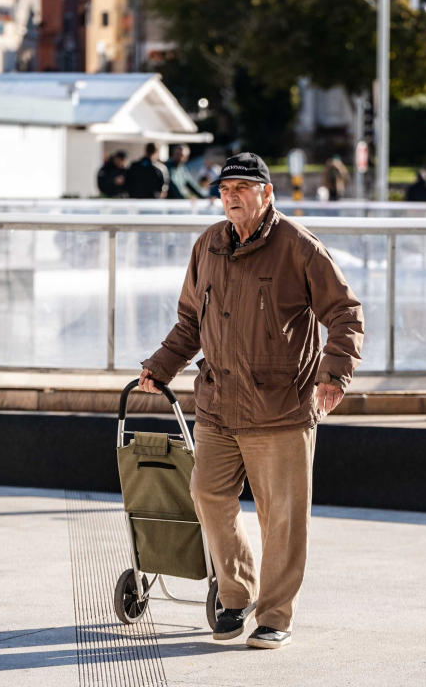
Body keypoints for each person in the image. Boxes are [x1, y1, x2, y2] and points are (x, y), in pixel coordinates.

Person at [138, 153, 364, 650]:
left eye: (243, 187)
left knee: (280, 517)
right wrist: (160, 367)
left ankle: (275, 614)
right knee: (208, 495)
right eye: (225, 189)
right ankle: (236, 595)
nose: (232, 196)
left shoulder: (299, 247)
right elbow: (190, 323)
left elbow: (346, 313)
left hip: (282, 408)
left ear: (267, 194)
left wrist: (335, 375)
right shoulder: (208, 246)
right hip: (218, 405)